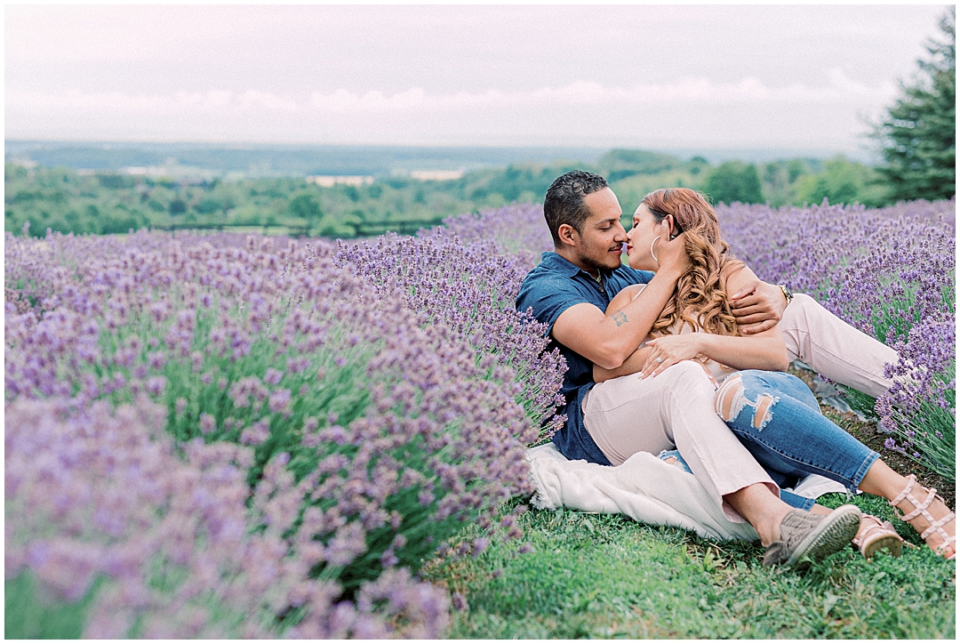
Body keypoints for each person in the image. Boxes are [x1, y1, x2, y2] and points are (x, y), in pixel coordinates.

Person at [515, 171, 953, 566]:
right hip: (594, 426)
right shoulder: (549, 287)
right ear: (569, 234)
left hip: (662, 398)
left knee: (798, 313)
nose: (622, 235)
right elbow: (608, 353)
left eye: (625, 222)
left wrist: (777, 296)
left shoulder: (619, 272)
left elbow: (710, 289)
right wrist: (675, 285)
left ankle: (933, 399)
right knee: (688, 376)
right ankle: (775, 517)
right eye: (607, 226)